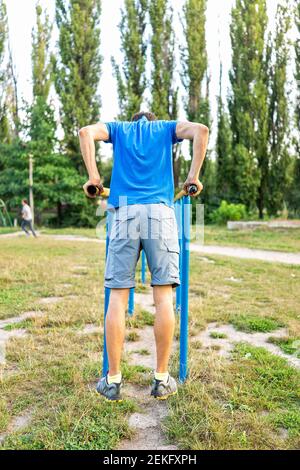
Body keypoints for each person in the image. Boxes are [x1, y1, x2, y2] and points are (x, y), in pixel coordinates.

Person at [79, 111, 209, 402]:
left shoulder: (118, 129)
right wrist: (193, 178)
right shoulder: (164, 128)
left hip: (124, 211)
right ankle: (161, 379)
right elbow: (201, 130)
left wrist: (94, 177)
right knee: (163, 297)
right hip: (160, 213)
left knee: (117, 297)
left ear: (134, 120)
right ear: (150, 120)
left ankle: (112, 381)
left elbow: (85, 132)